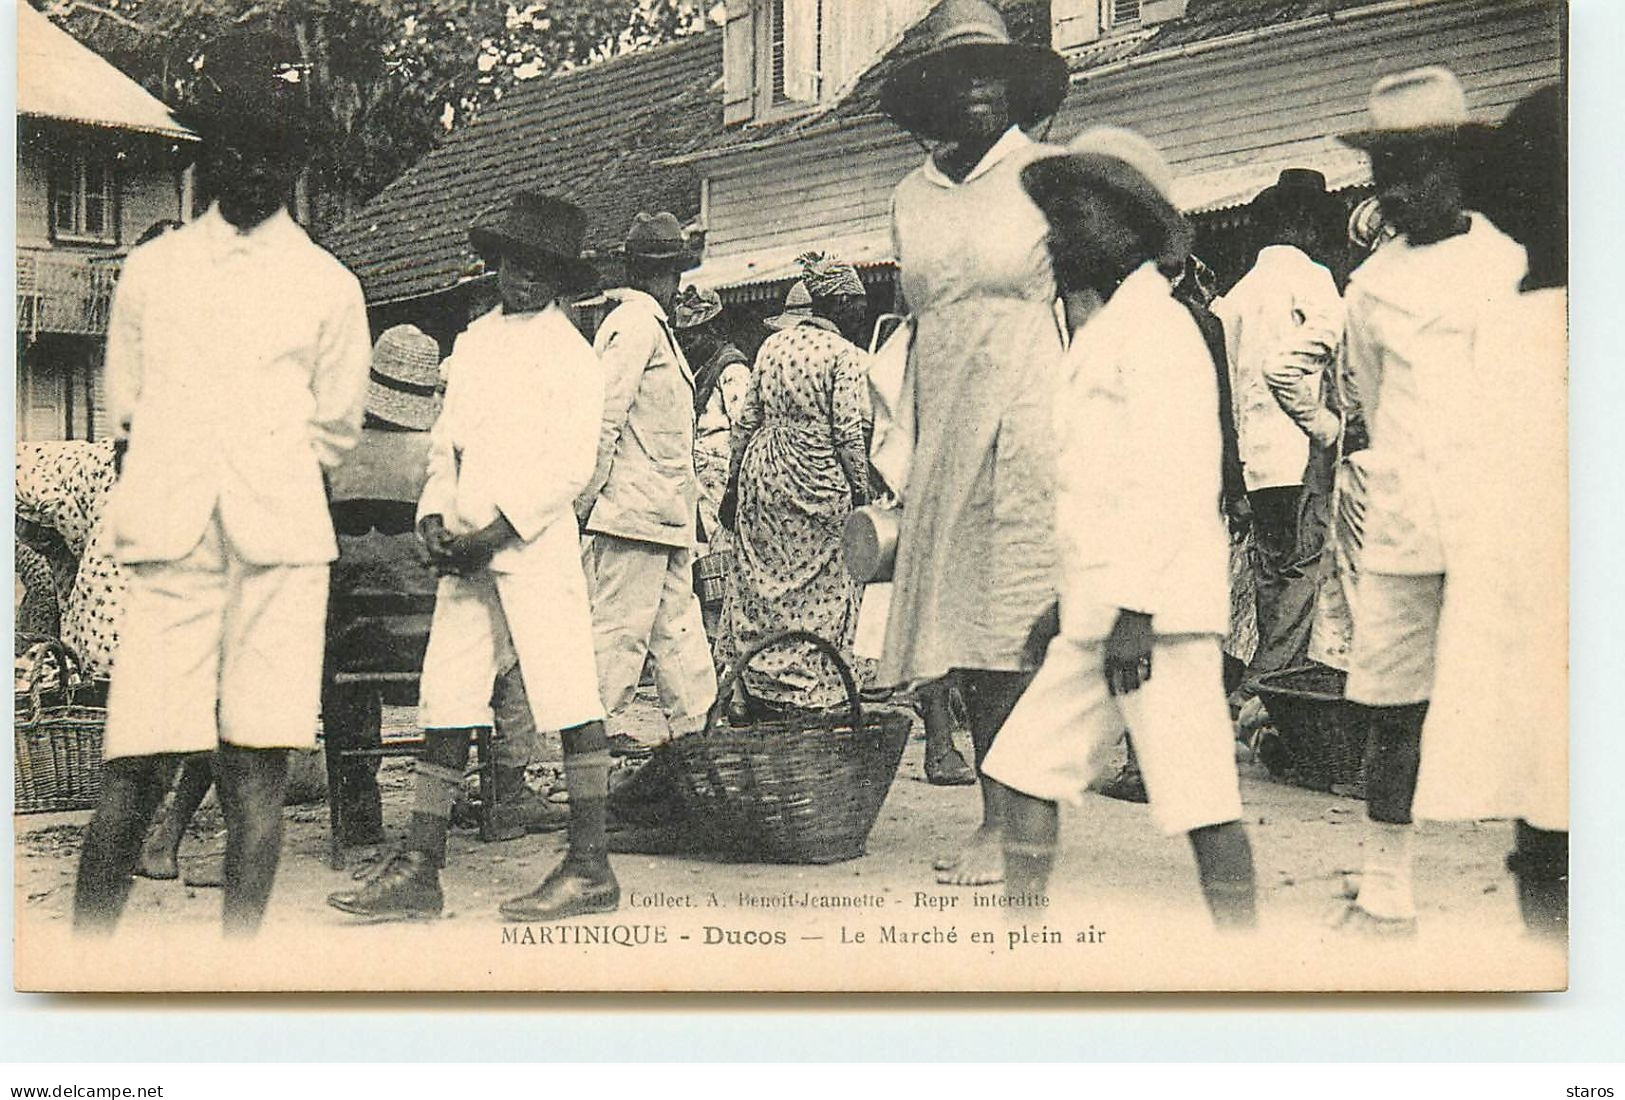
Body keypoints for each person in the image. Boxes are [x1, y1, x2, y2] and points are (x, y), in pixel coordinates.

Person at [72, 27, 373, 936]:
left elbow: (333, 429)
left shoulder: (327, 286)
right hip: (171, 547)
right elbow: (124, 409)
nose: (256, 168)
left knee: (255, 770)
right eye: (240, 145)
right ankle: (83, 965)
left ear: (294, 161)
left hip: (279, 553)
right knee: (134, 768)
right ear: (211, 151)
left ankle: (234, 976)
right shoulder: (152, 272)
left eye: (276, 149)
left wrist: (260, 480)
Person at [980, 127, 1257, 930]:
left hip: (1157, 621)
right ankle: (1017, 949)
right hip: (1100, 610)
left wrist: (1136, 609)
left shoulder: (1163, 332)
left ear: (1134, 229)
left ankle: (1251, 963)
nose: (1057, 238)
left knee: (1201, 799)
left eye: (1076, 219)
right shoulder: (1102, 334)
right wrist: (1068, 605)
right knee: (1027, 769)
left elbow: (1174, 483)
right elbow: (1095, 492)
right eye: (1053, 219)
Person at [324, 192, 613, 924]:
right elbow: (446, 443)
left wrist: (497, 530)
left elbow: (569, 468)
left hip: (531, 550)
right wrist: (431, 514)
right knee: (447, 699)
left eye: (543, 267)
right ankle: (419, 868)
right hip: (462, 556)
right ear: (497, 263)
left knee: (569, 696)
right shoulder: (475, 343)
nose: (526, 278)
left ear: (561, 276)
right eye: (516, 262)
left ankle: (589, 866)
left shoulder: (574, 358)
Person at [1329, 67, 1528, 934]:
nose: (1400, 193)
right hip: (1407, 517)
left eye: (1417, 171)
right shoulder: (1369, 288)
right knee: (1392, 700)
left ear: (1460, 169)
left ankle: (1548, 868)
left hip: (1503, 515)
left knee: (1528, 695)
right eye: (1384, 177)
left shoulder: (1513, 262)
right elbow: (1371, 400)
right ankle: (1385, 874)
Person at [877, 0, 1069, 886]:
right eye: (959, 77)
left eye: (991, 73)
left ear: (1015, 85)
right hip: (941, 419)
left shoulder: (1051, 177)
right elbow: (913, 327)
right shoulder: (909, 199)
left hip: (1030, 413)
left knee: (1013, 624)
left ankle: (1012, 817)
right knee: (959, 628)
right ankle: (1007, 805)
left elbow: (1097, 310)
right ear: (933, 96)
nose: (978, 91)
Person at [1410, 85, 1567, 940]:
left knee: (1550, 814)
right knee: (1547, 815)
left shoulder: (1521, 314)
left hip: (1539, 613)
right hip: (1535, 609)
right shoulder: (1517, 318)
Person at [575, 213, 718, 748]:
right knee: (620, 632)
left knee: (677, 628)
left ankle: (696, 729)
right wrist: (587, 501)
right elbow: (605, 417)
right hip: (634, 511)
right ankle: (587, 734)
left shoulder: (650, 327)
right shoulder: (634, 327)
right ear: (666, 276)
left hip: (664, 512)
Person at [720, 254, 871, 714]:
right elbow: (846, 431)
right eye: (857, 302)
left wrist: (733, 482)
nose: (860, 311)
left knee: (763, 579)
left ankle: (754, 683)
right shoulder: (844, 355)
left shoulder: (772, 347)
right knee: (819, 584)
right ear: (840, 301)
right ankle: (808, 690)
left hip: (764, 470)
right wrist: (861, 489)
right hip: (817, 473)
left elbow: (746, 422)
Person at [1212, 169, 1346, 687]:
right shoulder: (1313, 278)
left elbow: (1225, 388)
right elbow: (1337, 347)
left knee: (1271, 579)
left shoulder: (1236, 296)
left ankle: (1266, 690)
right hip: (1303, 452)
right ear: (1302, 222)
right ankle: (1264, 689)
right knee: (1303, 577)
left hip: (1256, 465)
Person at [672, 284, 751, 649]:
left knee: (725, 569)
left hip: (722, 485)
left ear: (714, 331)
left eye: (693, 337)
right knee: (706, 571)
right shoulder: (698, 371)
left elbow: (744, 431)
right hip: (701, 487)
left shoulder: (731, 370)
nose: (687, 346)